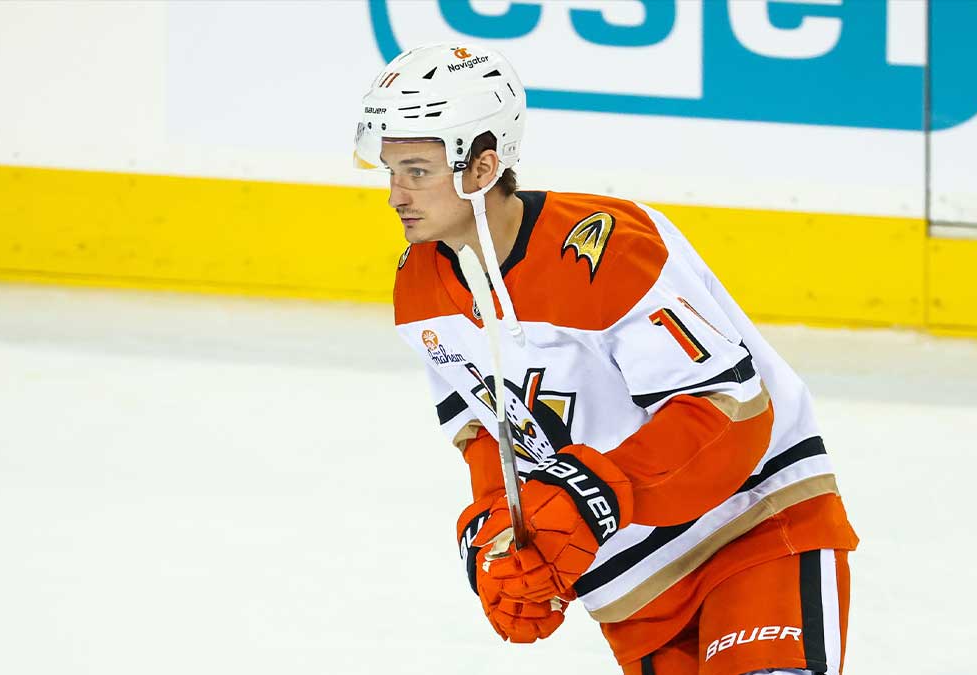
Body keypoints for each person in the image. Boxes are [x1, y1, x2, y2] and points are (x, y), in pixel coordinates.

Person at [353, 43, 859, 675]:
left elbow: (732, 411)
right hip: (631, 588)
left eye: (417, 171)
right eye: (391, 171)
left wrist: (590, 497)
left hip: (754, 534)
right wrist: (498, 538)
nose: (395, 193)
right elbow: (488, 429)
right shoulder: (420, 287)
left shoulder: (603, 250)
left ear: (482, 168)